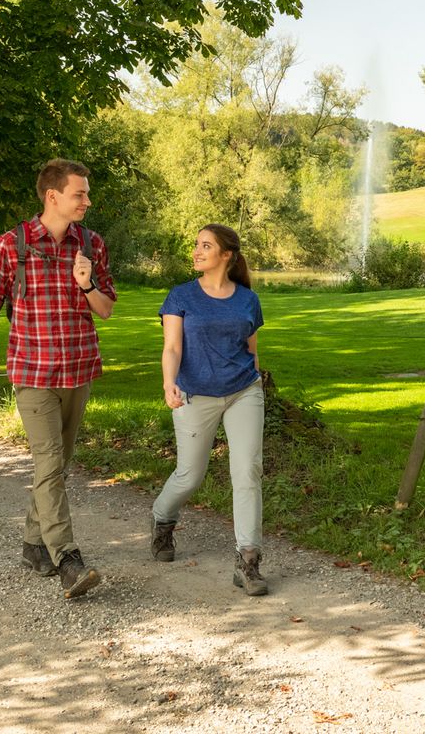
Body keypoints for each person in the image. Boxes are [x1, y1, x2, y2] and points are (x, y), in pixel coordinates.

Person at [0, 157, 115, 599]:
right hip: (32, 372)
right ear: (53, 196)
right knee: (49, 463)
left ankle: (34, 545)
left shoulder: (91, 243)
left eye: (86, 193)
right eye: (80, 193)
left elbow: (106, 309)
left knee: (59, 465)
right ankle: (68, 559)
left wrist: (87, 285)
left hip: (79, 369)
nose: (87, 200)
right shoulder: (11, 246)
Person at [149, 224, 270, 596]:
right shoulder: (181, 296)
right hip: (194, 394)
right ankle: (162, 519)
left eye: (206, 246)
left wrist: (258, 383)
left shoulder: (247, 299)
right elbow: (172, 347)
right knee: (190, 475)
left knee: (247, 471)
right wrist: (169, 381)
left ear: (226, 255)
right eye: (197, 245)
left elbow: (251, 350)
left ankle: (248, 561)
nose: (197, 251)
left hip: (242, 392)